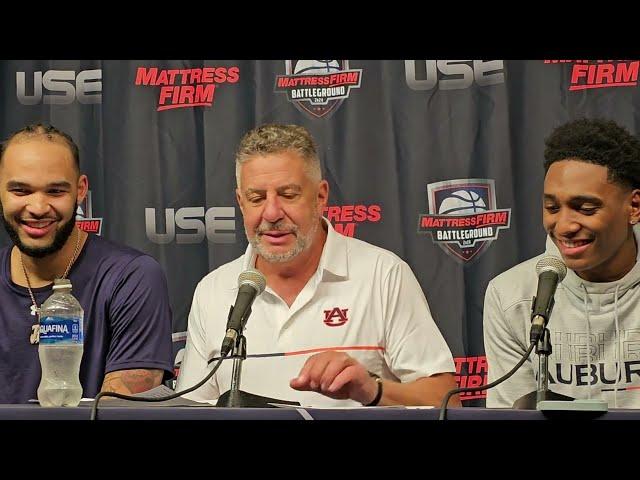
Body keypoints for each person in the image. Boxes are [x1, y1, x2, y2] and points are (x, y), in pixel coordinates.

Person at [177, 124, 459, 407]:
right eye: (257, 198)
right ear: (240, 202)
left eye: (288, 195)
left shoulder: (383, 274)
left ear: (321, 197)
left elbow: (446, 401)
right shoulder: (212, 291)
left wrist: (372, 390)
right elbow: (189, 411)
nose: (272, 213)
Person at [0, 123, 174, 403]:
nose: (38, 207)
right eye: (20, 191)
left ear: (80, 190)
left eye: (55, 191)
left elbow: (121, 410)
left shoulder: (131, 277)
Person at [484, 118, 640, 408]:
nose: (565, 225)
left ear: (633, 207)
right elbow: (512, 416)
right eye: (552, 208)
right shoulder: (511, 295)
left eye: (586, 208)